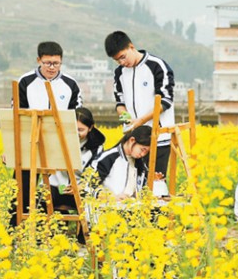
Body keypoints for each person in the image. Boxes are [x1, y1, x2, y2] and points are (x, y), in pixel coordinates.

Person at [9, 41, 83, 228]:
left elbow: (76, 118)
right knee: (20, 194)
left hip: (59, 149)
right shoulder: (25, 82)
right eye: (47, 63)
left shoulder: (70, 84)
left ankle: (56, 234)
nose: (52, 67)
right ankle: (14, 235)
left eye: (56, 63)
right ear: (38, 60)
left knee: (57, 194)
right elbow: (15, 118)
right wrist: (10, 149)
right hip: (28, 147)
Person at [104, 31, 174, 193]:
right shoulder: (120, 73)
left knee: (155, 186)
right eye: (117, 60)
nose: (122, 63)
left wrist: (141, 121)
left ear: (131, 47)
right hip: (132, 138)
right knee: (126, 185)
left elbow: (165, 101)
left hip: (157, 137)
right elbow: (120, 102)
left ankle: (156, 219)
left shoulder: (157, 65)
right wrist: (125, 116)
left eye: (123, 57)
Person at [50, 107, 106, 210]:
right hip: (56, 187)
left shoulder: (96, 148)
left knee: (93, 204)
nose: (76, 133)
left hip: (80, 191)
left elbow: (95, 173)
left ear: (90, 128)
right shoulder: (58, 140)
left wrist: (80, 187)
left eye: (80, 130)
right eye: (73, 128)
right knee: (40, 199)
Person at [91, 126, 152, 200]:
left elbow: (141, 187)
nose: (143, 154)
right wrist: (110, 197)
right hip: (109, 206)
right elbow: (88, 185)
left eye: (146, 152)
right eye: (142, 149)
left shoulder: (140, 162)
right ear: (132, 140)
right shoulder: (109, 157)